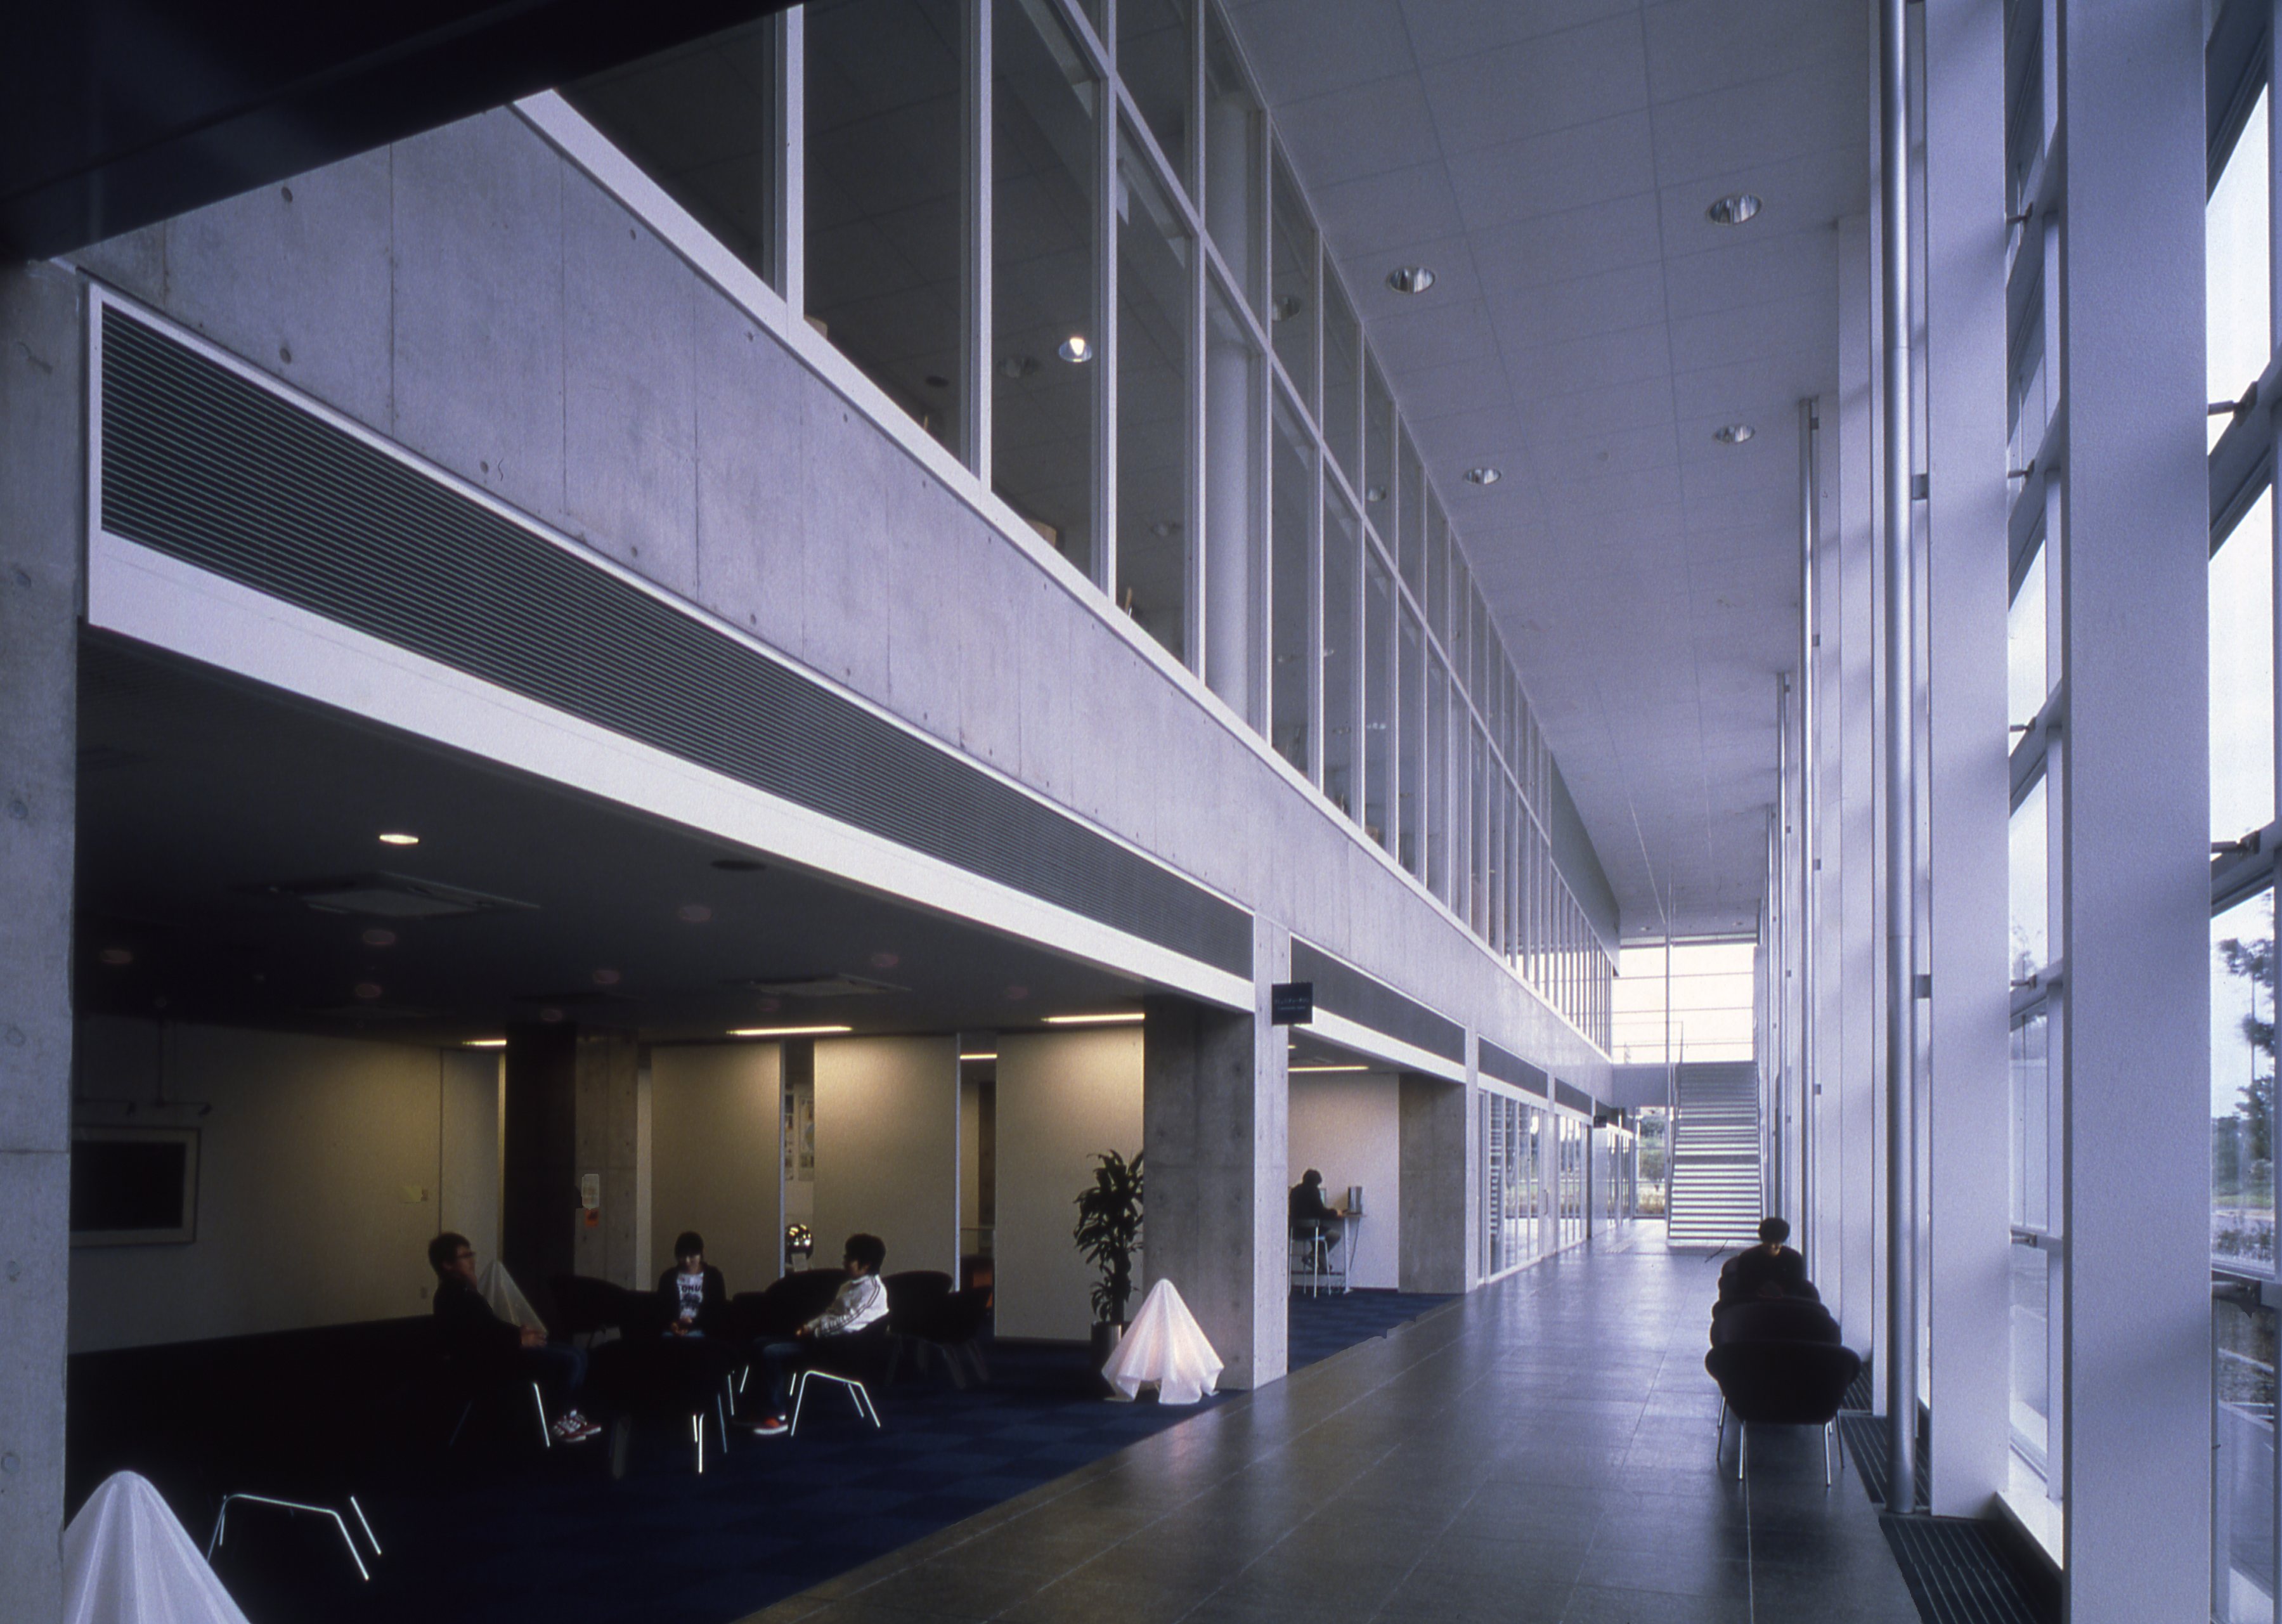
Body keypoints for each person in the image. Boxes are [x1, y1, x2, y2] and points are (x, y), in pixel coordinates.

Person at [427, 1232, 599, 1443]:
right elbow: (476, 1340)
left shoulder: (464, 1291)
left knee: (578, 1355)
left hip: (499, 1353)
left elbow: (490, 1327)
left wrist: (518, 1333)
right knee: (570, 1361)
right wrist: (517, 1340)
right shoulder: (451, 1296)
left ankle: (568, 1414)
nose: (472, 1260)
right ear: (448, 1264)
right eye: (466, 1256)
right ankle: (557, 1419)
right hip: (488, 1365)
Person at [736, 1233, 889, 1436]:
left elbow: (849, 1323)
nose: (844, 1262)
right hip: (821, 1341)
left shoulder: (874, 1292)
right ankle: (762, 1408)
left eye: (849, 1259)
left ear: (866, 1265)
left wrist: (815, 1331)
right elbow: (830, 1313)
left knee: (770, 1352)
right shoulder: (848, 1286)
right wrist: (808, 1327)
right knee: (760, 1343)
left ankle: (777, 1416)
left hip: (838, 1351)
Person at [1716, 1216, 1812, 1306]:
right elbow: (1744, 1288)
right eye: (1769, 1242)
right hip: (1753, 1304)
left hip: (1786, 1303)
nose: (1772, 1247)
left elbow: (1796, 1287)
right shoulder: (1748, 1258)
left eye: (1776, 1243)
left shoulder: (1794, 1259)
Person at [656, 1230, 729, 1338]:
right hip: (673, 1330)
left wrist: (693, 1322)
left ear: (701, 1254)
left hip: (703, 1330)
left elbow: (718, 1312)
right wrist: (673, 1324)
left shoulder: (713, 1276)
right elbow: (661, 1310)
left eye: (692, 1256)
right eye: (682, 1256)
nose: (687, 1261)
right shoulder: (668, 1277)